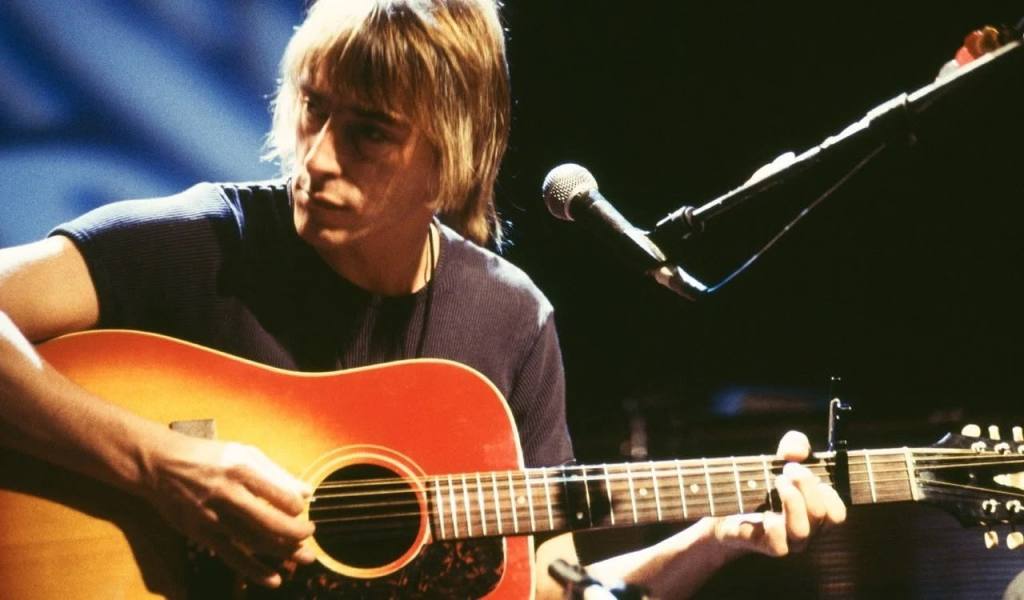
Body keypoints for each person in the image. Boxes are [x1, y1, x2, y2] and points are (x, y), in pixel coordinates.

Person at [0, 0, 845, 597]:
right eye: (312, 109)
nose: (317, 160)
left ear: (452, 156)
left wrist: (714, 538)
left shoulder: (510, 321)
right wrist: (158, 465)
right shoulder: (202, 243)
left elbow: (552, 592)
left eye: (369, 132)